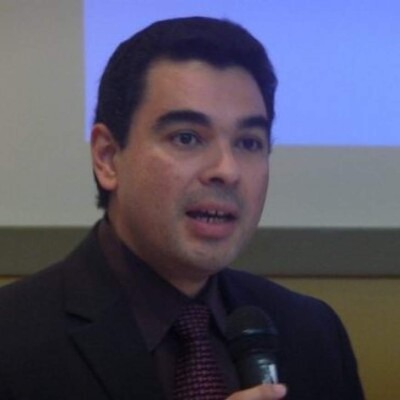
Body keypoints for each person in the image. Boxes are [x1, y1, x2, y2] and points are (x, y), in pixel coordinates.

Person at [0, 16, 364, 400]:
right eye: (187, 138)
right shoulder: (12, 337)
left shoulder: (312, 332)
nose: (227, 170)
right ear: (107, 157)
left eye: (248, 142)